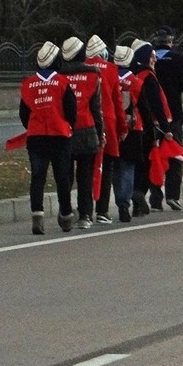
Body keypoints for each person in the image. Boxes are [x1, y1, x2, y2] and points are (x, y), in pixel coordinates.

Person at [19, 41, 77, 235]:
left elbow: (23, 113)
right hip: (60, 136)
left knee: (37, 178)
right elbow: (71, 111)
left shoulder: (28, 84)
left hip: (36, 137)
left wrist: (33, 126)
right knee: (62, 177)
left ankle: (37, 216)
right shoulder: (62, 82)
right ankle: (67, 216)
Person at [60, 37, 104, 229]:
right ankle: (85, 215)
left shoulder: (58, 77)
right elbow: (96, 109)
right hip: (87, 130)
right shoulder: (93, 75)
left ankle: (65, 212)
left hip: (64, 132)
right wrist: (101, 132)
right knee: (85, 177)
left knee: (65, 176)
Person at [84, 35, 128, 224]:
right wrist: (123, 126)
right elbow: (118, 102)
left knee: (86, 168)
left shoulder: (82, 69)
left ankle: (86, 211)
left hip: (86, 123)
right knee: (107, 166)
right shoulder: (111, 70)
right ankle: (102, 210)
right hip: (108, 122)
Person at [151, 26, 183, 211]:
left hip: (152, 115)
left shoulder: (149, 59)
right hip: (173, 115)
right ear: (171, 41)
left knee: (154, 155)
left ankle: (154, 198)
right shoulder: (177, 59)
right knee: (175, 154)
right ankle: (172, 195)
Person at [130, 39, 173, 214]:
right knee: (147, 164)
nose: (154, 59)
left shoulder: (133, 75)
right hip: (148, 125)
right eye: (152, 56)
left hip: (134, 126)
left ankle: (137, 205)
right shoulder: (149, 78)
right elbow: (157, 106)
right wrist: (166, 128)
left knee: (137, 164)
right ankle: (139, 194)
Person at [113, 46, 145, 222]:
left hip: (113, 127)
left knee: (116, 168)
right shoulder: (137, 82)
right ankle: (125, 203)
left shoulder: (109, 79)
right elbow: (144, 108)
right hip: (133, 129)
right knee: (128, 168)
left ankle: (120, 201)